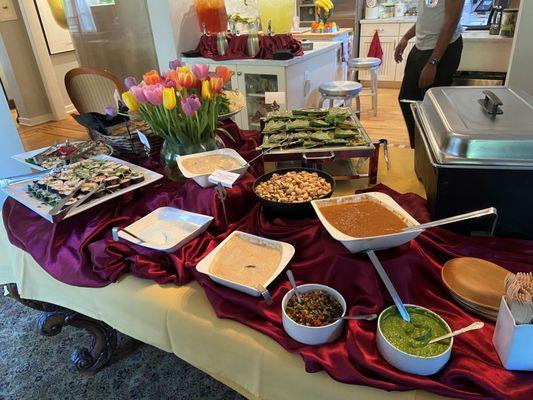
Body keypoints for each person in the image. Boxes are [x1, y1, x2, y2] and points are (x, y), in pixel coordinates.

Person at [395, 0, 465, 148]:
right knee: (406, 99)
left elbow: (451, 22)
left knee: (431, 108)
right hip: (420, 48)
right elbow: (425, 18)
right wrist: (406, 37)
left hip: (442, 52)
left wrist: (433, 62)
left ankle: (433, 152)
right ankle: (418, 147)